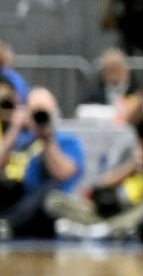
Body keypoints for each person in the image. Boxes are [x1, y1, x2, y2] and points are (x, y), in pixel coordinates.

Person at [0, 84, 86, 240]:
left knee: (48, 192)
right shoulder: (23, 140)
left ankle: (8, 224)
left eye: (43, 112)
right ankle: (8, 222)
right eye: (34, 112)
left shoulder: (68, 141)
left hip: (51, 206)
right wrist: (14, 128)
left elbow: (62, 174)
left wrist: (47, 139)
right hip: (21, 199)